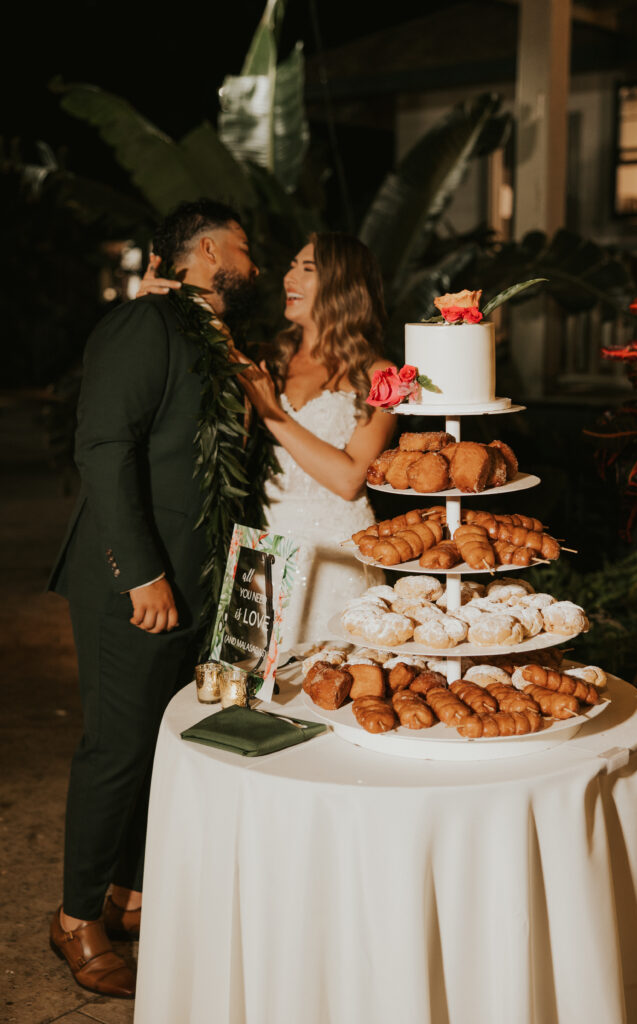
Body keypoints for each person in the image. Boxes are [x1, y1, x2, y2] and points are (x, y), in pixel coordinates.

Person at [47, 199, 260, 997]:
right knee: (117, 748)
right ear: (206, 249)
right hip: (133, 584)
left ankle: (130, 892)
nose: (256, 264)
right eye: (244, 248)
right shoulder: (145, 327)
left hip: (196, 582)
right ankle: (74, 915)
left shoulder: (210, 336)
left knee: (163, 744)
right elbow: (103, 448)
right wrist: (140, 572)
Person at [138, 231, 396, 650]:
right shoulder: (265, 359)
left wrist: (272, 414)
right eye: (291, 266)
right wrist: (152, 302)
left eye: (307, 268)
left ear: (344, 284)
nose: (289, 277)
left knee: (337, 683)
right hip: (263, 544)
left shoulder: (382, 375)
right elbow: (193, 337)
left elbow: (350, 479)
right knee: (250, 684)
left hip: (338, 549)